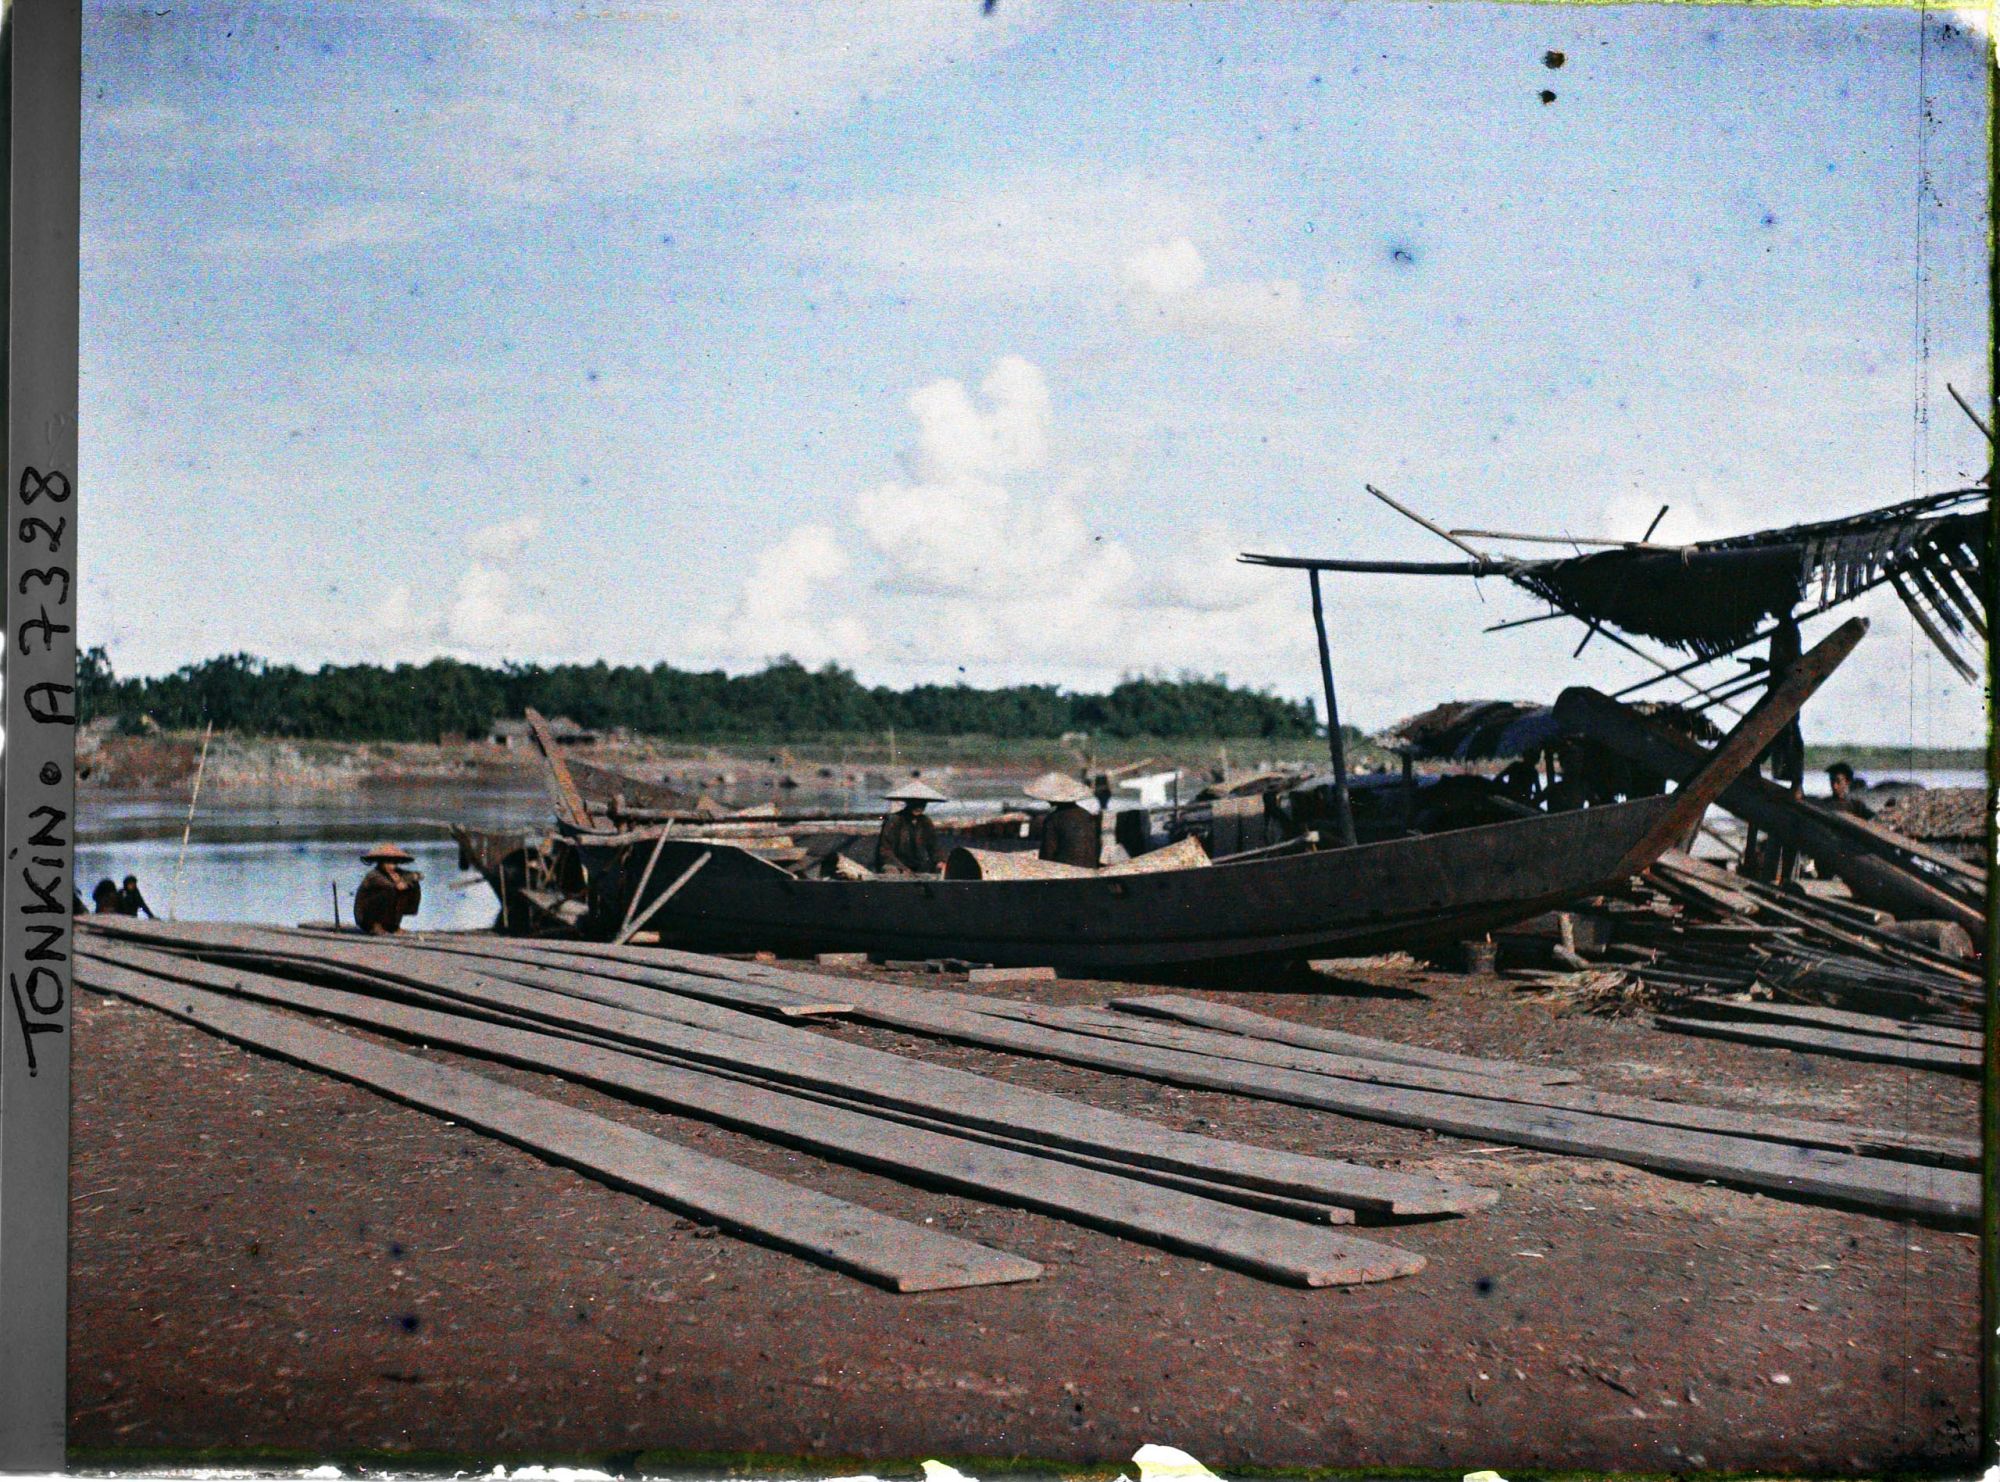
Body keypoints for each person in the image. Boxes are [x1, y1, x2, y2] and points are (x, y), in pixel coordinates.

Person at [1027, 771, 1102, 867]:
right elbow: (1096, 846)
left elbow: (1047, 853)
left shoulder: (1054, 818)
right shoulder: (1086, 814)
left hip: (1066, 871)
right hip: (1089, 867)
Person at [875, 780, 946, 874]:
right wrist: (902, 868)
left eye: (922, 804)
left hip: (918, 864)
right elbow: (885, 851)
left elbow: (934, 846)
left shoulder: (925, 821)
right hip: (896, 864)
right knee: (891, 871)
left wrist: (940, 861)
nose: (918, 807)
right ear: (908, 803)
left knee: (940, 869)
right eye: (915, 803)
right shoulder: (894, 820)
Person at [354, 843, 423, 934]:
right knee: (389, 891)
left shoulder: (398, 873)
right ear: (381, 862)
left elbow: (419, 875)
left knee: (413, 886)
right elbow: (390, 885)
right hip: (366, 917)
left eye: (394, 862)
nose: (392, 865)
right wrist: (400, 883)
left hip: (387, 916)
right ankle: (375, 925)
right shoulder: (374, 875)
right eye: (388, 862)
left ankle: (393, 926)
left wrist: (409, 879)